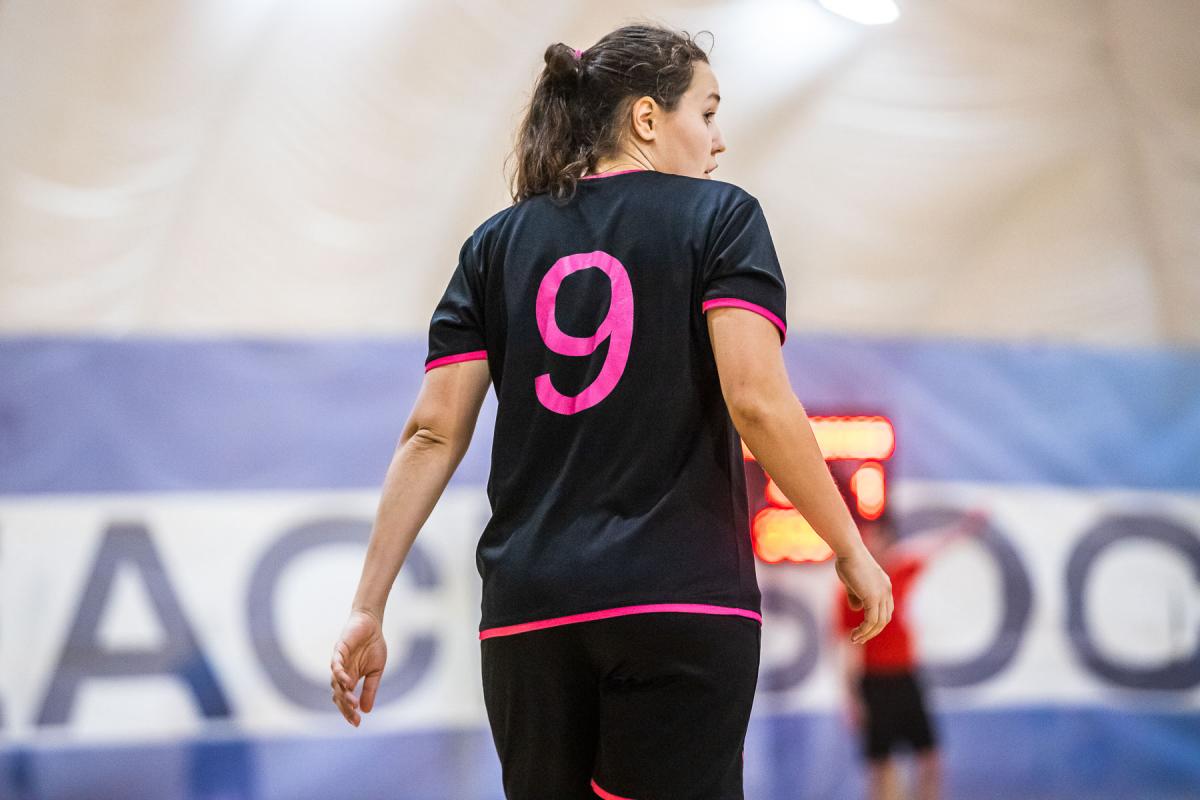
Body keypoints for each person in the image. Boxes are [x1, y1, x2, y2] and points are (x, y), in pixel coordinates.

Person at [329, 23, 892, 800]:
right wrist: (848, 545)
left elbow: (431, 432)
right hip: (678, 595)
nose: (719, 140)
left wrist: (367, 607)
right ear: (647, 118)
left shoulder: (491, 246)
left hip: (530, 613)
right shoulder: (722, 218)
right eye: (707, 112)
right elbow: (758, 401)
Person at [835, 510, 986, 800]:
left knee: (931, 758)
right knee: (882, 766)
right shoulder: (852, 594)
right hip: (875, 683)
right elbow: (848, 649)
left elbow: (936, 547)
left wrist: (966, 527)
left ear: (888, 540)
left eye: (876, 537)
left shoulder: (902, 572)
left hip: (906, 677)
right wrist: (852, 698)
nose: (871, 544)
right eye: (866, 539)